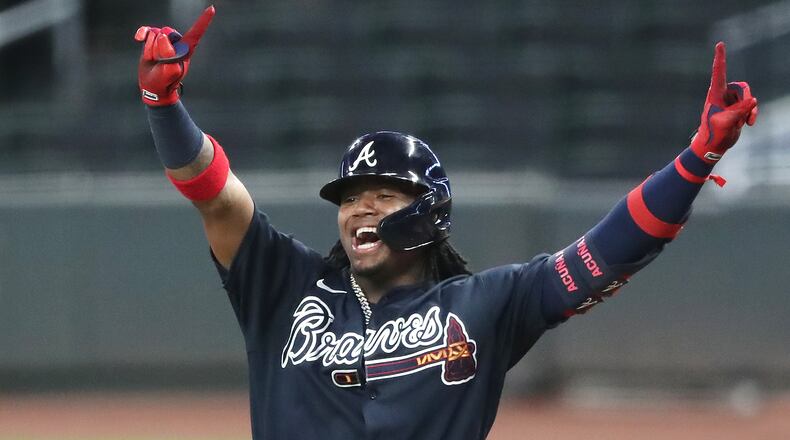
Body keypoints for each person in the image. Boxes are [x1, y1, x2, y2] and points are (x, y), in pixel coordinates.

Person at [135, 6, 758, 440]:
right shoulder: (284, 286)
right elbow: (217, 198)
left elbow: (607, 252)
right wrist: (164, 106)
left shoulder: (487, 305)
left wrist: (697, 158)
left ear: (430, 216)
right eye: (351, 197)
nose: (362, 208)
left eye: (385, 193)